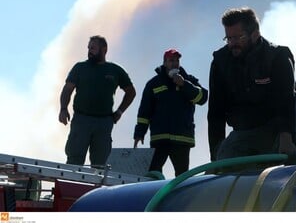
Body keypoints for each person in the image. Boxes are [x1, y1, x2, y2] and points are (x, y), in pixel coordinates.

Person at [207, 7, 296, 161]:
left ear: (255, 34)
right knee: (224, 158)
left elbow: (286, 100)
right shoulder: (220, 62)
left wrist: (286, 138)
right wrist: (215, 157)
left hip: (275, 128)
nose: (232, 43)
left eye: (238, 38)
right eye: (228, 38)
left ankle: (292, 145)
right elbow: (216, 112)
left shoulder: (277, 57)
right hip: (243, 133)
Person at [58, 35, 136, 167]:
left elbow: (131, 92)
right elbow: (67, 89)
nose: (90, 51)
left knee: (100, 163)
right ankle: (71, 186)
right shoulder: (80, 68)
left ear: (104, 49)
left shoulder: (115, 70)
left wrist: (119, 111)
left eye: (93, 48)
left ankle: (97, 187)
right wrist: (63, 109)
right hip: (81, 120)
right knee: (74, 160)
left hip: (104, 122)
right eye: (89, 48)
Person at [134, 48, 208, 176]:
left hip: (182, 138)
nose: (174, 63)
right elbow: (145, 111)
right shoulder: (153, 84)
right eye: (171, 60)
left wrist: (184, 84)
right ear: (164, 63)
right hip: (159, 138)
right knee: (153, 173)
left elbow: (202, 98)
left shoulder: (189, 80)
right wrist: (139, 132)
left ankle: (181, 196)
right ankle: (155, 195)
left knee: (182, 176)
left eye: (177, 60)